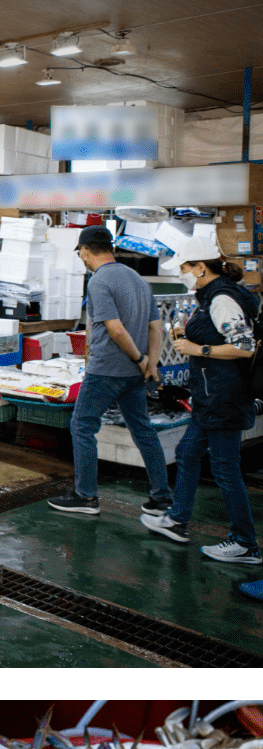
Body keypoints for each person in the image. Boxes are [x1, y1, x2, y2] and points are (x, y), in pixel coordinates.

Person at [141, 237, 260, 565]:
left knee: (224, 468)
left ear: (200, 267)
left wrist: (198, 349)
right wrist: (189, 337)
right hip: (212, 396)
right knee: (187, 452)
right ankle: (178, 520)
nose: (182, 274)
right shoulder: (212, 296)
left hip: (224, 398)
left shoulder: (222, 298)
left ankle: (245, 542)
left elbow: (244, 346)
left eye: (184, 268)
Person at [47, 224, 171, 516]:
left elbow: (115, 330)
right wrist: (149, 365)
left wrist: (140, 358)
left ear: (87, 251)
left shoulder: (99, 280)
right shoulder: (138, 280)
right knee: (143, 429)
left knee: (82, 426)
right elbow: (156, 327)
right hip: (134, 375)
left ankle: (86, 496)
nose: (82, 259)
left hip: (107, 370)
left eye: (81, 253)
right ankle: (161, 498)